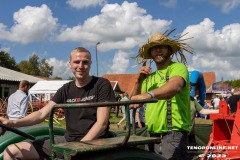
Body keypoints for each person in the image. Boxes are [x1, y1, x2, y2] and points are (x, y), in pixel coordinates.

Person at [0, 47, 116, 160]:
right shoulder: (66, 89)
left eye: (85, 62)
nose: (80, 66)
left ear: (90, 63)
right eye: (76, 62)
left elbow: (102, 123)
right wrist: (13, 122)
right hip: (68, 141)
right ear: (70, 64)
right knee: (11, 151)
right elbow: (42, 113)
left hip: (95, 142)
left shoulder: (101, 84)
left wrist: (79, 147)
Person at [130, 29, 193, 159]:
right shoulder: (148, 78)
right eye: (154, 48)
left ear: (169, 50)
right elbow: (134, 103)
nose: (158, 50)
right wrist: (138, 81)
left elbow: (175, 87)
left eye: (161, 47)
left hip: (173, 134)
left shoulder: (178, 68)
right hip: (151, 134)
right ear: (150, 53)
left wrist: (149, 95)